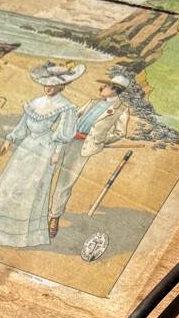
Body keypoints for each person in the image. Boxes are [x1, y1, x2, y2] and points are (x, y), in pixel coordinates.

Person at [0, 61, 82, 250]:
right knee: (10, 183)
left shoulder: (66, 106)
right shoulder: (35, 102)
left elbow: (64, 135)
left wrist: (56, 152)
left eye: (52, 84)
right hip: (26, 147)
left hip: (45, 150)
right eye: (46, 83)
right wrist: (10, 139)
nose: (48, 87)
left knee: (30, 188)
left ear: (62, 85)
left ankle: (20, 234)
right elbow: (23, 125)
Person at [48, 72, 131, 236]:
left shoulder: (121, 110)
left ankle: (54, 216)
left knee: (65, 183)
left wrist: (98, 140)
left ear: (115, 89)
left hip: (82, 148)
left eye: (106, 86)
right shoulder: (93, 102)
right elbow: (74, 115)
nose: (102, 88)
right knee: (45, 173)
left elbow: (120, 133)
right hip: (65, 140)